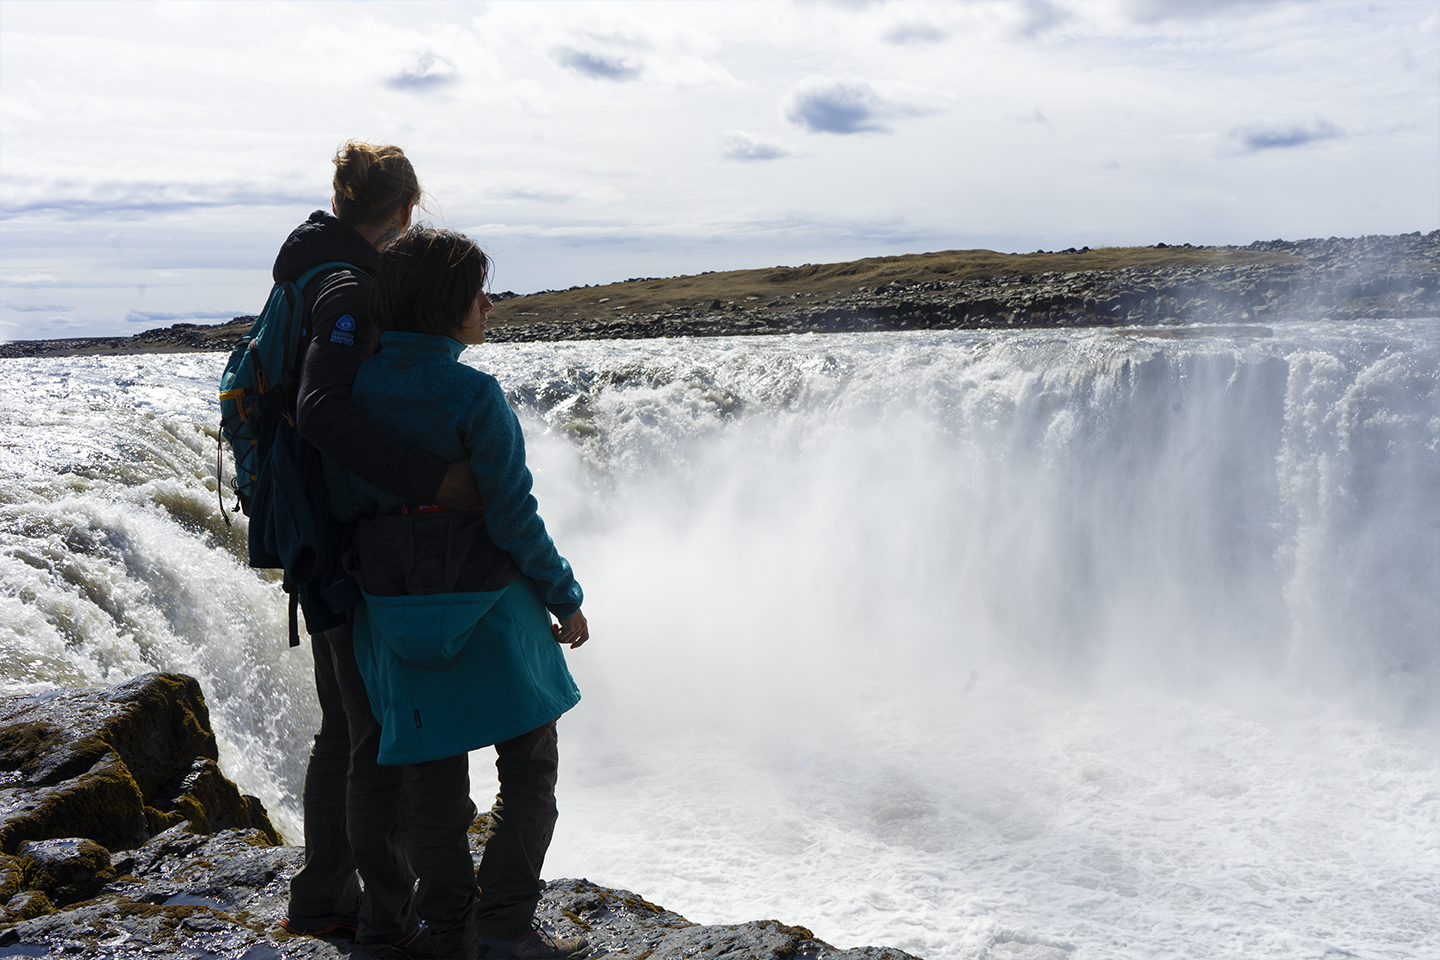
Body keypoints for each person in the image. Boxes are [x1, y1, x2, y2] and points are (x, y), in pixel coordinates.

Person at [324, 226, 591, 960]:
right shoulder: (475, 394)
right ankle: (506, 923)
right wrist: (565, 596)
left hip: (394, 616)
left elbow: (346, 502)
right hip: (492, 612)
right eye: (478, 291)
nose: (489, 304)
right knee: (530, 768)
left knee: (433, 791)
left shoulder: (355, 397)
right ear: (448, 303)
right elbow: (512, 516)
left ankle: (449, 936)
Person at [275, 141, 483, 954]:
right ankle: (383, 918)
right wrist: (434, 480)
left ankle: (327, 893)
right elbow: (323, 409)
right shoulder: (347, 286)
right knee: (374, 734)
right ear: (404, 211)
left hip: (307, 526)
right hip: (338, 536)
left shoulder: (306, 266)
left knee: (345, 728)